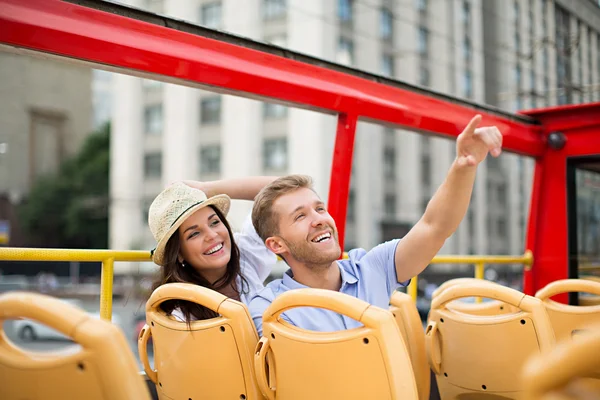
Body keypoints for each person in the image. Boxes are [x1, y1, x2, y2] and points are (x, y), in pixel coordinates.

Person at [248, 115, 503, 335]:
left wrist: (463, 165)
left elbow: (435, 226)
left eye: (320, 208)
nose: (319, 220)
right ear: (276, 244)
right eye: (300, 216)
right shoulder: (268, 308)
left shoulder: (371, 268)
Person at [148, 177, 277, 323]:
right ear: (178, 254)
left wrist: (206, 188)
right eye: (194, 234)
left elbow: (282, 191)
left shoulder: (243, 254)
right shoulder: (181, 318)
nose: (212, 235)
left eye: (214, 222)